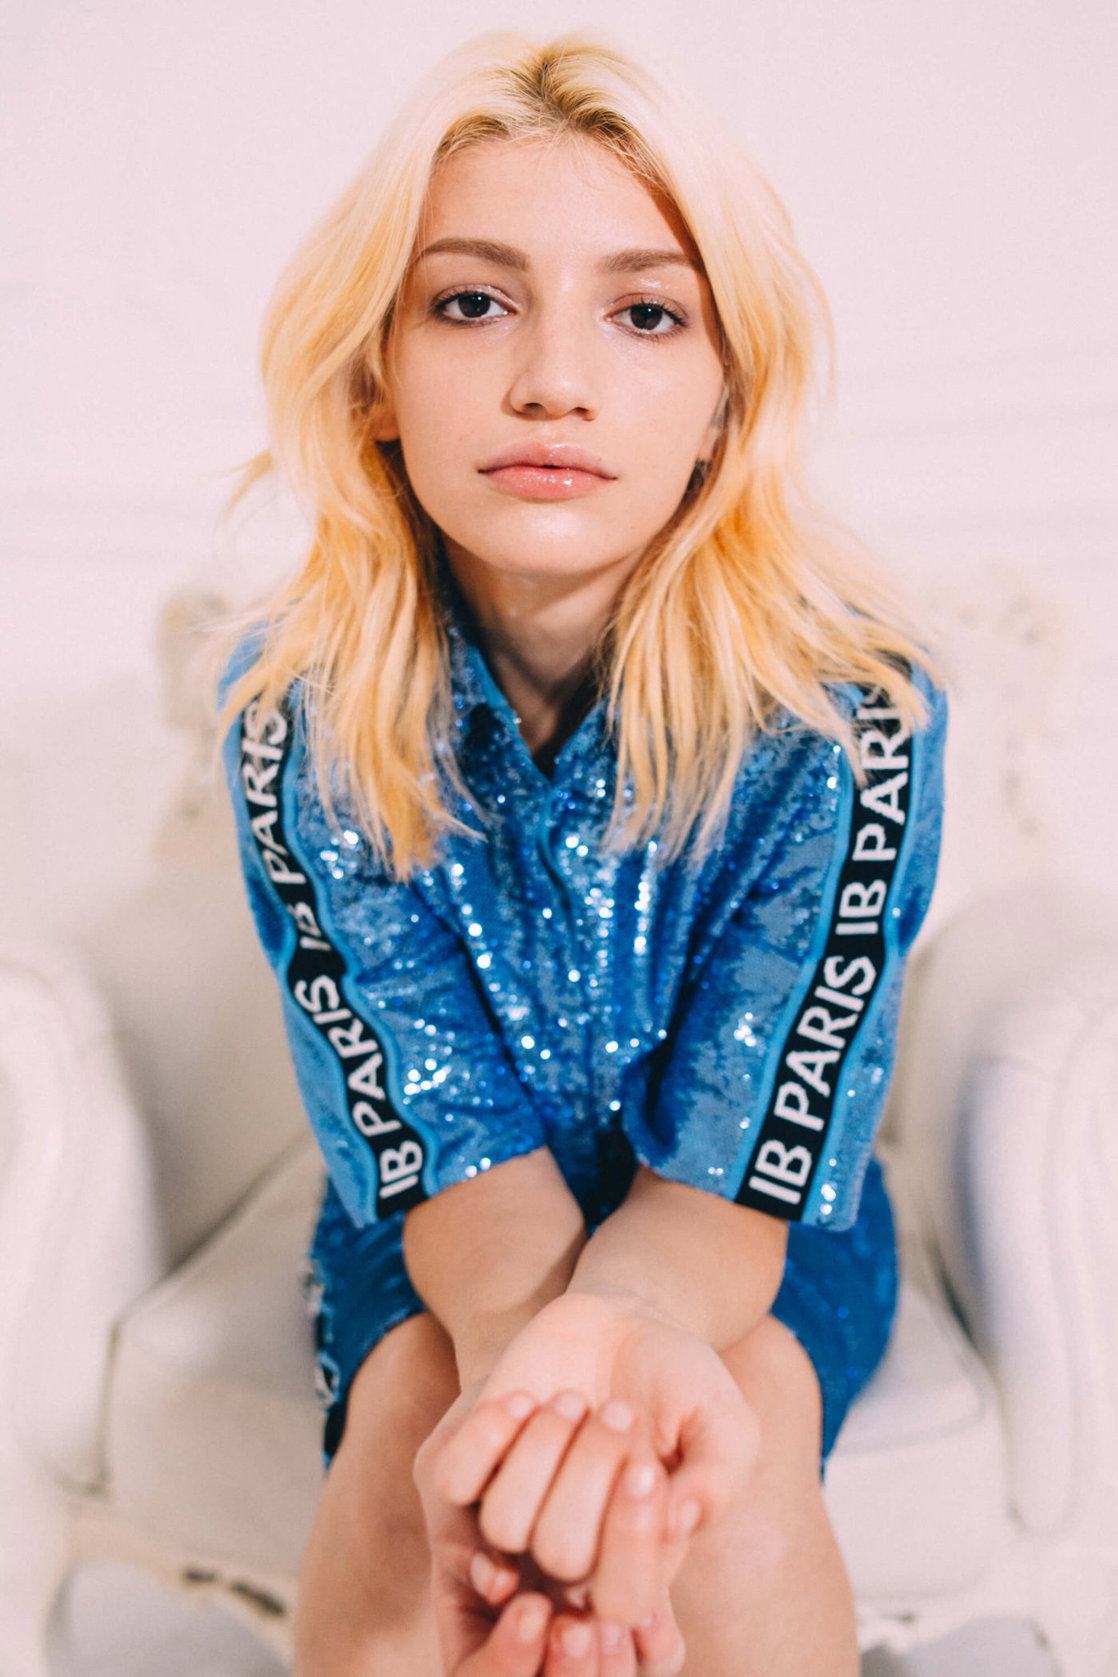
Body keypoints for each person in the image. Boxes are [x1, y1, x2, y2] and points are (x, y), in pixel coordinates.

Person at [218, 29, 946, 1677]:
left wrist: (613, 1357)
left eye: (645, 313)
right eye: (473, 301)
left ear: (724, 401)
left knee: (733, 1423)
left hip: (749, 1220)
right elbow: (447, 1154)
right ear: (374, 376)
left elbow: (733, 1181)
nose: (555, 378)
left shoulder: (848, 714)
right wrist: (520, 1390)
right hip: (442, 1217)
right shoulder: (298, 714)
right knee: (416, 1416)